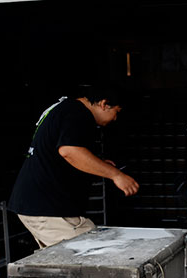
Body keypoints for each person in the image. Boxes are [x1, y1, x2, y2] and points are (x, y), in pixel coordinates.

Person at [8, 85, 139, 248]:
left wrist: (98, 164)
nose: (115, 119)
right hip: (45, 207)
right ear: (104, 104)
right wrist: (116, 175)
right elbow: (69, 151)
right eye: (116, 112)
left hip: (41, 205)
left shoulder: (67, 109)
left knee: (66, 260)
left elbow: (64, 151)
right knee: (93, 255)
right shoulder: (78, 113)